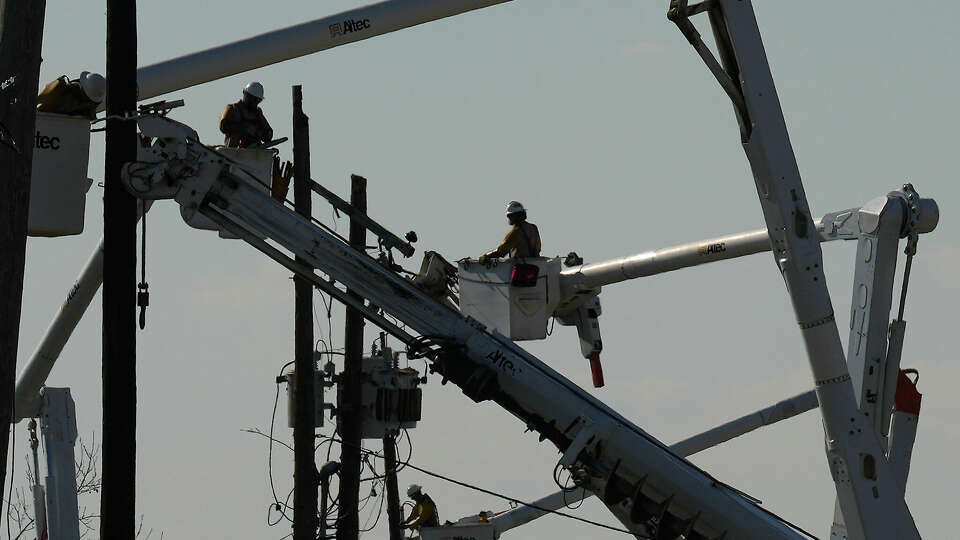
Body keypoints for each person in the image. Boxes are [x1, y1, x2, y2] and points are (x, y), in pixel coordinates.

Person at [218, 81, 273, 148]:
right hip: (234, 151)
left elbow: (268, 133)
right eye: (251, 98)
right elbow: (223, 126)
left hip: (253, 152)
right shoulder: (233, 109)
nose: (253, 102)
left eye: (256, 100)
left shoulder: (258, 113)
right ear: (245, 94)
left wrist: (258, 133)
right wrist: (243, 129)